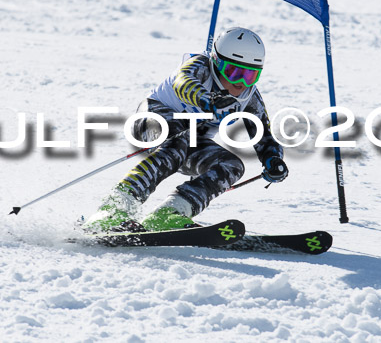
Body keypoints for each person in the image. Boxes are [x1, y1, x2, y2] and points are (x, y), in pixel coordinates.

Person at [83, 27, 288, 232]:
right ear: (216, 62)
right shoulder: (200, 66)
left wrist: (273, 159)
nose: (241, 83)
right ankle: (113, 209)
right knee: (178, 141)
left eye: (250, 75)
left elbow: (264, 135)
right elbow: (183, 83)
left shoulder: (249, 97)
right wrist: (207, 100)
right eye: (233, 72)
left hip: (189, 142)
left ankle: (171, 212)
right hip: (151, 122)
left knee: (231, 165)